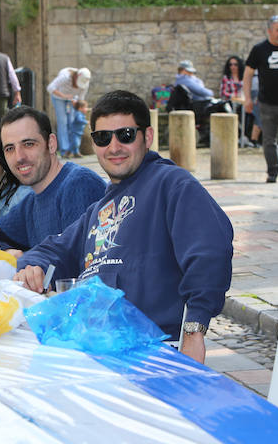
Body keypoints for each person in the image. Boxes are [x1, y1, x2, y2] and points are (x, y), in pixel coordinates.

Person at [14, 91, 233, 362]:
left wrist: (194, 329)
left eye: (125, 135)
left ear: (147, 137)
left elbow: (210, 252)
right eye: (103, 138)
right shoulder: (99, 208)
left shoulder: (172, 184)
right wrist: (30, 265)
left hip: (152, 351)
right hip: (95, 350)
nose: (114, 147)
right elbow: (56, 248)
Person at [0, 106, 106, 253]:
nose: (19, 157)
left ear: (51, 144)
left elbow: (76, 260)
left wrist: (26, 258)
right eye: (10, 148)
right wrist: (9, 251)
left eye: (28, 144)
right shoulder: (31, 202)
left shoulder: (79, 184)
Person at [244, 15, 278, 182]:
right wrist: (248, 98)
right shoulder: (259, 49)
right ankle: (273, 172)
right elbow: (248, 74)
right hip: (267, 102)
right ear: (269, 31)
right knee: (269, 139)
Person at [47, 67, 91, 158]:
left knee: (72, 122)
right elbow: (50, 88)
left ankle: (74, 150)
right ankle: (64, 151)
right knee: (63, 122)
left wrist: (77, 103)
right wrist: (65, 96)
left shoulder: (86, 83)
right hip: (59, 98)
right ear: (76, 77)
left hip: (72, 100)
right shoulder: (65, 77)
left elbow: (81, 98)